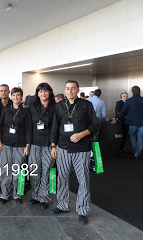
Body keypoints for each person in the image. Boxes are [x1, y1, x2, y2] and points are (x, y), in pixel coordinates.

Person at [50, 80, 99, 225]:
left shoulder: (86, 105)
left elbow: (95, 125)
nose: (70, 91)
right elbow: (54, 126)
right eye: (67, 89)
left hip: (81, 148)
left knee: (83, 179)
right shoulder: (59, 106)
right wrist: (53, 145)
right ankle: (63, 205)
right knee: (62, 178)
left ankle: (82, 210)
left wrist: (81, 134)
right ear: (64, 91)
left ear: (77, 90)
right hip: (63, 147)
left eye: (72, 88)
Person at [0, 87, 31, 204]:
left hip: (20, 145)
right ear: (11, 96)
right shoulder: (6, 109)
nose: (16, 97)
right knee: (5, 169)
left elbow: (28, 129)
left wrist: (27, 145)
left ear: (21, 97)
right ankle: (4, 194)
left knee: (18, 170)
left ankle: (17, 194)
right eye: (14, 95)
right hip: (6, 144)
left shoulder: (26, 111)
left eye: (18, 95)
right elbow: (0, 127)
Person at [25, 83, 56, 209]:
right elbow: (28, 125)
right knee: (34, 170)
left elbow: (55, 127)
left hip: (48, 144)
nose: (43, 93)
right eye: (40, 91)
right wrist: (27, 144)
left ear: (49, 92)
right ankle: (35, 195)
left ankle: (44, 197)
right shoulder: (32, 106)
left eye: (45, 91)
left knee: (46, 171)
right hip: (34, 143)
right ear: (37, 94)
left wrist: (54, 145)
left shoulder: (55, 107)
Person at [112, 86, 143, 159]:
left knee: (132, 137)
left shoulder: (129, 100)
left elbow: (122, 111)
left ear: (132, 92)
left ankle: (134, 151)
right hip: (142, 122)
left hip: (132, 122)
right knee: (140, 138)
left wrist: (116, 118)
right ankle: (137, 154)